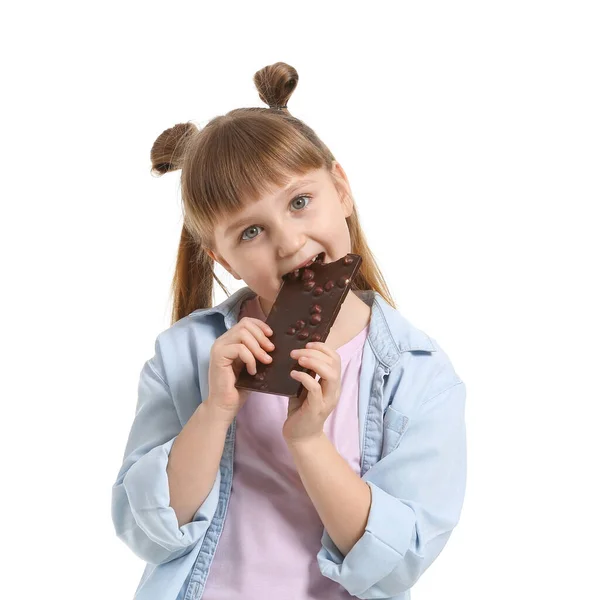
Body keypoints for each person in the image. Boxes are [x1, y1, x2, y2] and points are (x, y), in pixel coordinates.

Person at [111, 61, 467, 600]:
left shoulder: (418, 375)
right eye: (251, 231)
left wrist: (307, 440)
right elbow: (148, 531)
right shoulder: (186, 355)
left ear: (341, 189)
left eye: (300, 201)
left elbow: (396, 565)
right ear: (220, 257)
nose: (288, 242)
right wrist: (214, 412)